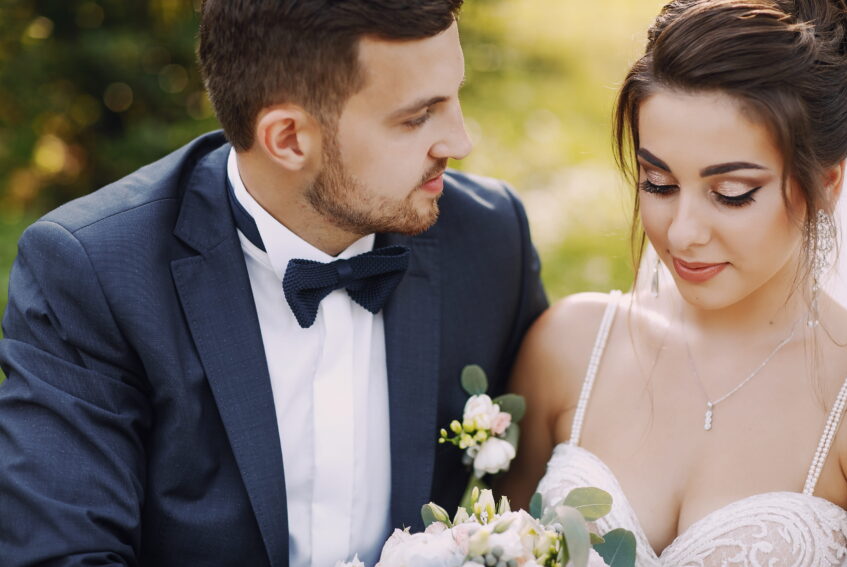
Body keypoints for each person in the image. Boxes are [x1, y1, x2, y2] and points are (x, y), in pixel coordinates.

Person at [0, 2, 547, 566]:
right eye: (416, 118)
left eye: (456, 95)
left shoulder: (489, 240)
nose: (458, 141)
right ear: (287, 138)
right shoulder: (94, 273)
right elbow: (63, 554)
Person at [502, 0, 847, 564]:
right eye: (658, 183)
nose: (683, 233)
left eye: (731, 194)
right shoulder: (570, 346)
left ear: (828, 183)